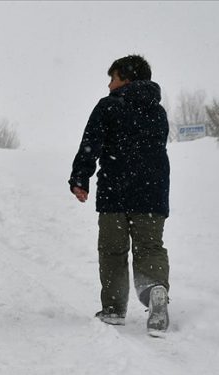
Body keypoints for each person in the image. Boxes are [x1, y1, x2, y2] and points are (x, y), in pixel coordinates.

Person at [69, 55, 170, 335]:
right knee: (150, 247)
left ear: (126, 78)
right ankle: (156, 291)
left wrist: (80, 179)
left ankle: (113, 309)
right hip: (153, 193)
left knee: (113, 250)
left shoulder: (109, 106)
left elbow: (91, 145)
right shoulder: (157, 110)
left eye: (113, 78)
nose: (110, 85)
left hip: (116, 190)